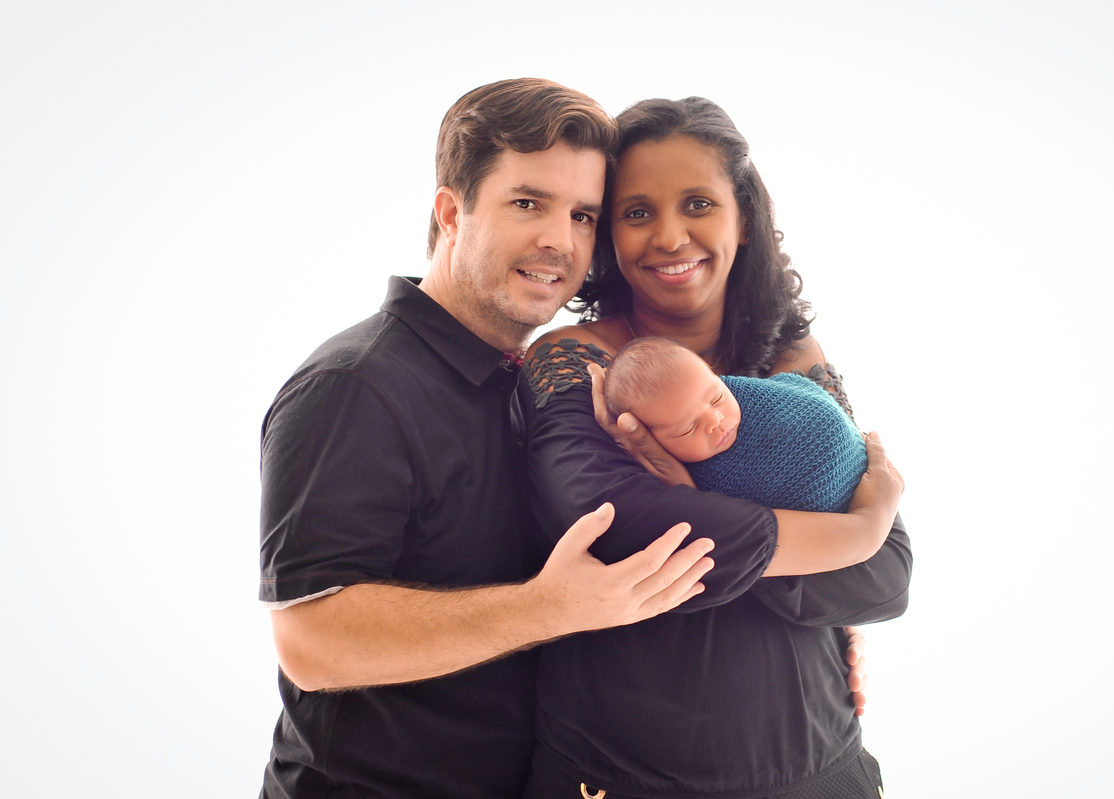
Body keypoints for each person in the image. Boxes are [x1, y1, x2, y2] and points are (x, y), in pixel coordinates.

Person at [256, 79, 721, 799]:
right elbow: (312, 641)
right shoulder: (354, 385)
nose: (559, 241)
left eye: (582, 215)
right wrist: (546, 608)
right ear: (451, 213)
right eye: (528, 203)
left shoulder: (541, 379)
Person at [517, 96, 911, 797]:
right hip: (616, 779)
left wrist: (692, 499)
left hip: (822, 771)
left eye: (698, 204)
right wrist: (856, 529)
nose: (670, 236)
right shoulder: (577, 361)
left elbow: (885, 578)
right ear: (609, 234)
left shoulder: (794, 361)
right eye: (637, 212)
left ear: (744, 218)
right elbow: (614, 530)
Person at [603, 335, 868, 524]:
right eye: (688, 428)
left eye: (716, 398)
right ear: (650, 439)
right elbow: (726, 526)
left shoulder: (752, 394)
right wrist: (688, 495)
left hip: (855, 460)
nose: (716, 420)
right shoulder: (684, 478)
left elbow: (802, 397)